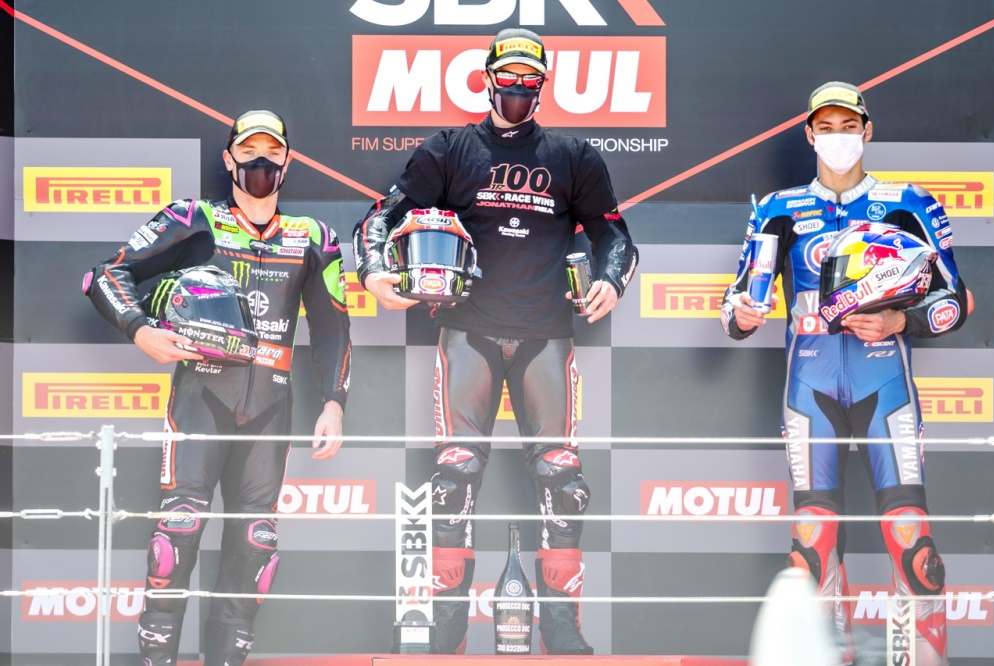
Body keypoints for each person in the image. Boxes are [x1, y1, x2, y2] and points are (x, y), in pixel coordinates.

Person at [354, 28, 638, 655]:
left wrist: (612, 281)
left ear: (543, 84)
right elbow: (381, 216)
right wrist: (373, 270)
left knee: (564, 482)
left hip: (546, 334)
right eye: (507, 75)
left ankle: (562, 627)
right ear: (486, 77)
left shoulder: (573, 156)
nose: (517, 87)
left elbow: (616, 236)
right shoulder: (450, 148)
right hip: (468, 329)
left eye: (529, 78)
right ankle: (447, 627)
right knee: (452, 480)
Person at [84, 110, 351, 665]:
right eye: (248, 152)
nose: (260, 162)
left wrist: (334, 402)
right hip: (202, 397)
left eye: (271, 153)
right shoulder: (195, 219)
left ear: (287, 162)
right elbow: (105, 275)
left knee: (256, 544)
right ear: (229, 160)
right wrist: (142, 331)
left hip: (271, 405)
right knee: (176, 535)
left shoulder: (314, 238)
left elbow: (332, 328)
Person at [720, 82, 968, 665]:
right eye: (826, 128)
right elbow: (736, 305)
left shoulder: (909, 203)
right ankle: (831, 656)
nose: (838, 137)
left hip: (886, 386)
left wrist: (899, 322)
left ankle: (920, 658)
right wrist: (742, 314)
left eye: (849, 126)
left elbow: (957, 301)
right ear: (810, 135)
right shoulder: (777, 209)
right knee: (811, 544)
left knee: (913, 542)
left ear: (867, 130)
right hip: (809, 389)